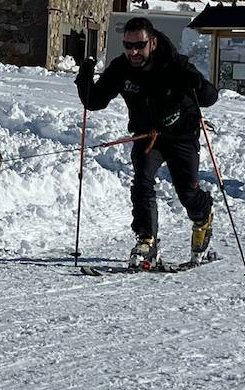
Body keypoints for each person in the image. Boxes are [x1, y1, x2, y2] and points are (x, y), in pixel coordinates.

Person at [76, 17, 219, 267]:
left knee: (187, 193)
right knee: (142, 182)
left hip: (181, 135)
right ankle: (146, 240)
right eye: (128, 45)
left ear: (152, 42)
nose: (133, 51)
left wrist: (196, 83)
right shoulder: (121, 68)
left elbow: (210, 97)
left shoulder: (174, 64)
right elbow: (95, 101)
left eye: (139, 45)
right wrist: (85, 79)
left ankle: (203, 216)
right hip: (147, 136)